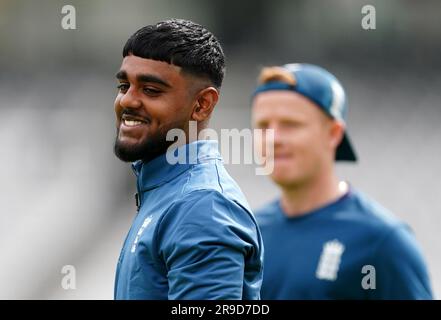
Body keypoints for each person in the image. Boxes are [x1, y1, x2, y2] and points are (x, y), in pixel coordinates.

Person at [251, 63, 433, 299]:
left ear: (334, 133)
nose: (272, 139)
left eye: (290, 124)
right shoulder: (249, 234)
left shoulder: (382, 241)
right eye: (263, 126)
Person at [113, 19, 263, 300]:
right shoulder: (168, 192)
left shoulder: (203, 207)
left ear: (202, 104)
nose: (127, 101)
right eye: (124, 86)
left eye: (151, 90)